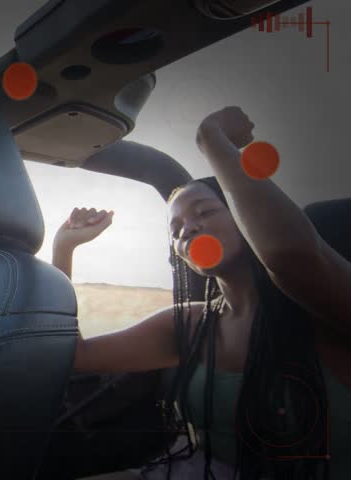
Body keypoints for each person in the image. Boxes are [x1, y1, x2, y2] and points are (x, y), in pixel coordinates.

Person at [52, 107, 351, 479]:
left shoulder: (325, 304)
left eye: (204, 212)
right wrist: (64, 247)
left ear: (246, 218)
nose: (186, 230)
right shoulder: (192, 323)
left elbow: (288, 255)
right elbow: (78, 356)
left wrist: (212, 137)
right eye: (175, 228)